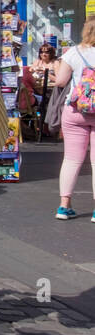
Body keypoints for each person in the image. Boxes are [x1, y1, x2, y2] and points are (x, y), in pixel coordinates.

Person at [51, 21, 95, 219]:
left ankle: (64, 206)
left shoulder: (72, 53)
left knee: (71, 159)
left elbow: (60, 82)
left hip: (75, 110)